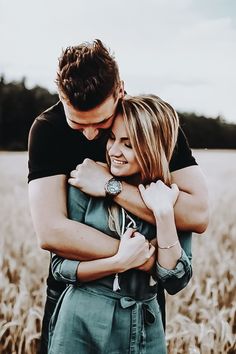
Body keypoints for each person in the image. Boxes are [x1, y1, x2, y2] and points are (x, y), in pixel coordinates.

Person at [28, 39, 209, 353]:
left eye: (101, 123)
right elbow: (52, 231)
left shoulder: (149, 127)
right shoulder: (47, 130)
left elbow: (197, 214)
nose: (91, 136)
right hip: (76, 294)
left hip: (141, 302)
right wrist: (140, 258)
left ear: (120, 91)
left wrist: (111, 187)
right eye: (77, 123)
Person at [48, 95, 193, 354]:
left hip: (146, 328)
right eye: (112, 138)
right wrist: (119, 261)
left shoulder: (166, 197)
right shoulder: (85, 185)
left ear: (152, 147)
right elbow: (59, 268)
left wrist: (162, 213)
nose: (114, 150)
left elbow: (176, 280)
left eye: (128, 144)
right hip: (81, 325)